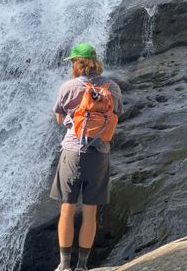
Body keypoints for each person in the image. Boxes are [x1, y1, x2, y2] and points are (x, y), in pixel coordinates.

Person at [50, 43, 123, 271]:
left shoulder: (68, 87)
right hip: (99, 154)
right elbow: (116, 116)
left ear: (76, 63)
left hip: (72, 152)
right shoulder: (112, 87)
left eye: (73, 61)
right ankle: (82, 266)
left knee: (68, 208)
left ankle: (64, 265)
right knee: (90, 210)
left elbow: (59, 118)